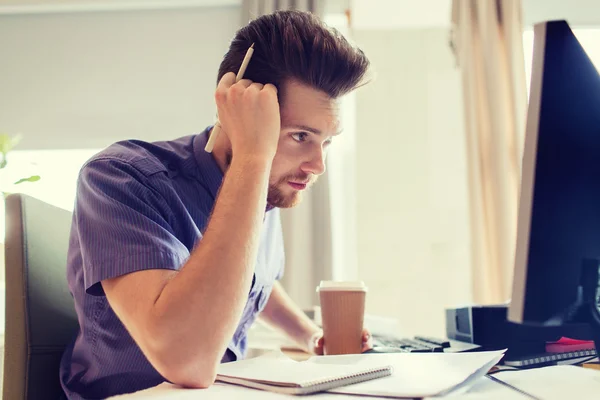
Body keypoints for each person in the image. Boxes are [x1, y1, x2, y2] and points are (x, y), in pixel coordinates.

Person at [59, 10, 371, 399]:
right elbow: (187, 361)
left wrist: (311, 336)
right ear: (237, 109)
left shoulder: (263, 192)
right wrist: (253, 156)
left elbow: (256, 281)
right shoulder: (121, 179)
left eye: (326, 141)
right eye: (300, 136)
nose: (317, 165)